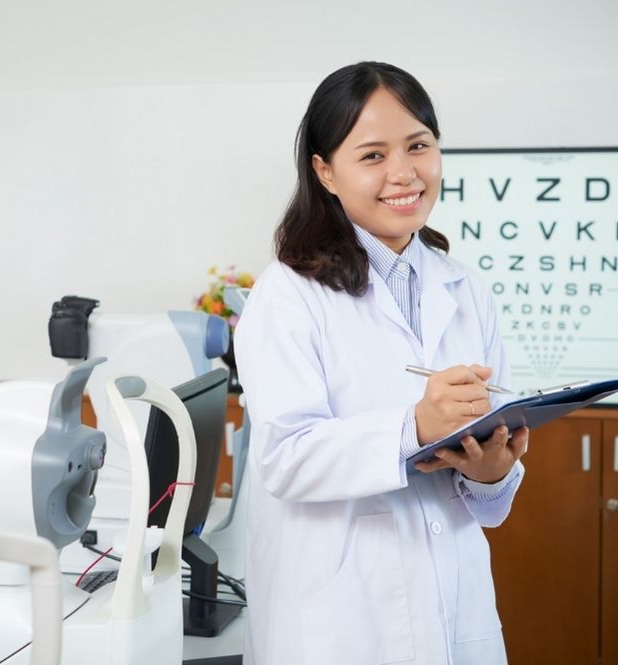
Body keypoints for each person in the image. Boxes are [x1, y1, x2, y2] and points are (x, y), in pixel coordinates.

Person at [233, 61, 530, 665]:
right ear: (325, 172)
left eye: (418, 145)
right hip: (341, 620)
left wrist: (491, 471)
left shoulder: (465, 289)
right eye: (372, 155)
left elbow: (489, 506)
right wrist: (414, 426)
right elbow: (284, 459)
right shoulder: (287, 294)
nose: (404, 173)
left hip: (454, 602)